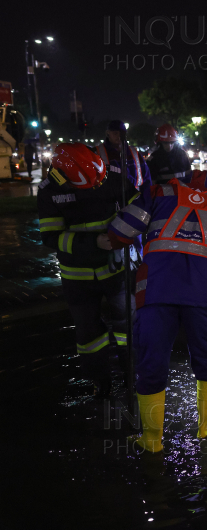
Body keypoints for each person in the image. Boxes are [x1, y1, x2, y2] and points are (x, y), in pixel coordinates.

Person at [106, 174, 207, 453]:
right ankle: (206, 425)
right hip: (205, 296)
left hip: (156, 293)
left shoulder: (158, 193)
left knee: (151, 361)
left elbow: (119, 233)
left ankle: (151, 440)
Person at [37, 143, 134, 398]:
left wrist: (127, 237)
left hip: (115, 268)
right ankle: (100, 381)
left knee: (129, 326)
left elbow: (138, 207)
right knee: (89, 333)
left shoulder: (113, 175)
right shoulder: (50, 190)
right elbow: (50, 237)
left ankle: (133, 374)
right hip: (77, 276)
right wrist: (93, 243)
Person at [96, 120, 151, 191]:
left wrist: (147, 199)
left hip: (136, 199)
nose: (119, 136)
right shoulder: (99, 152)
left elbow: (146, 178)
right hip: (111, 199)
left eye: (122, 134)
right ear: (107, 133)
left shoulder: (134, 153)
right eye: (115, 133)